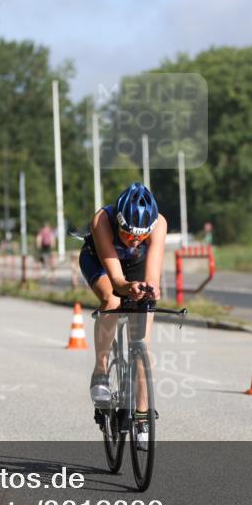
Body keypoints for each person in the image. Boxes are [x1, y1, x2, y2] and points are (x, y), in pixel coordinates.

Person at [79, 182, 167, 442]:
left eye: (141, 236)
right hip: (101, 263)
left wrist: (150, 290)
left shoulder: (159, 224)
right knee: (112, 301)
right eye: (128, 234)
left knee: (142, 347)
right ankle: (100, 372)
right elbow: (117, 282)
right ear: (118, 222)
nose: (134, 240)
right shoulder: (102, 221)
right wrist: (129, 288)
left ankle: (142, 416)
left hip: (136, 264)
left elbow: (152, 275)